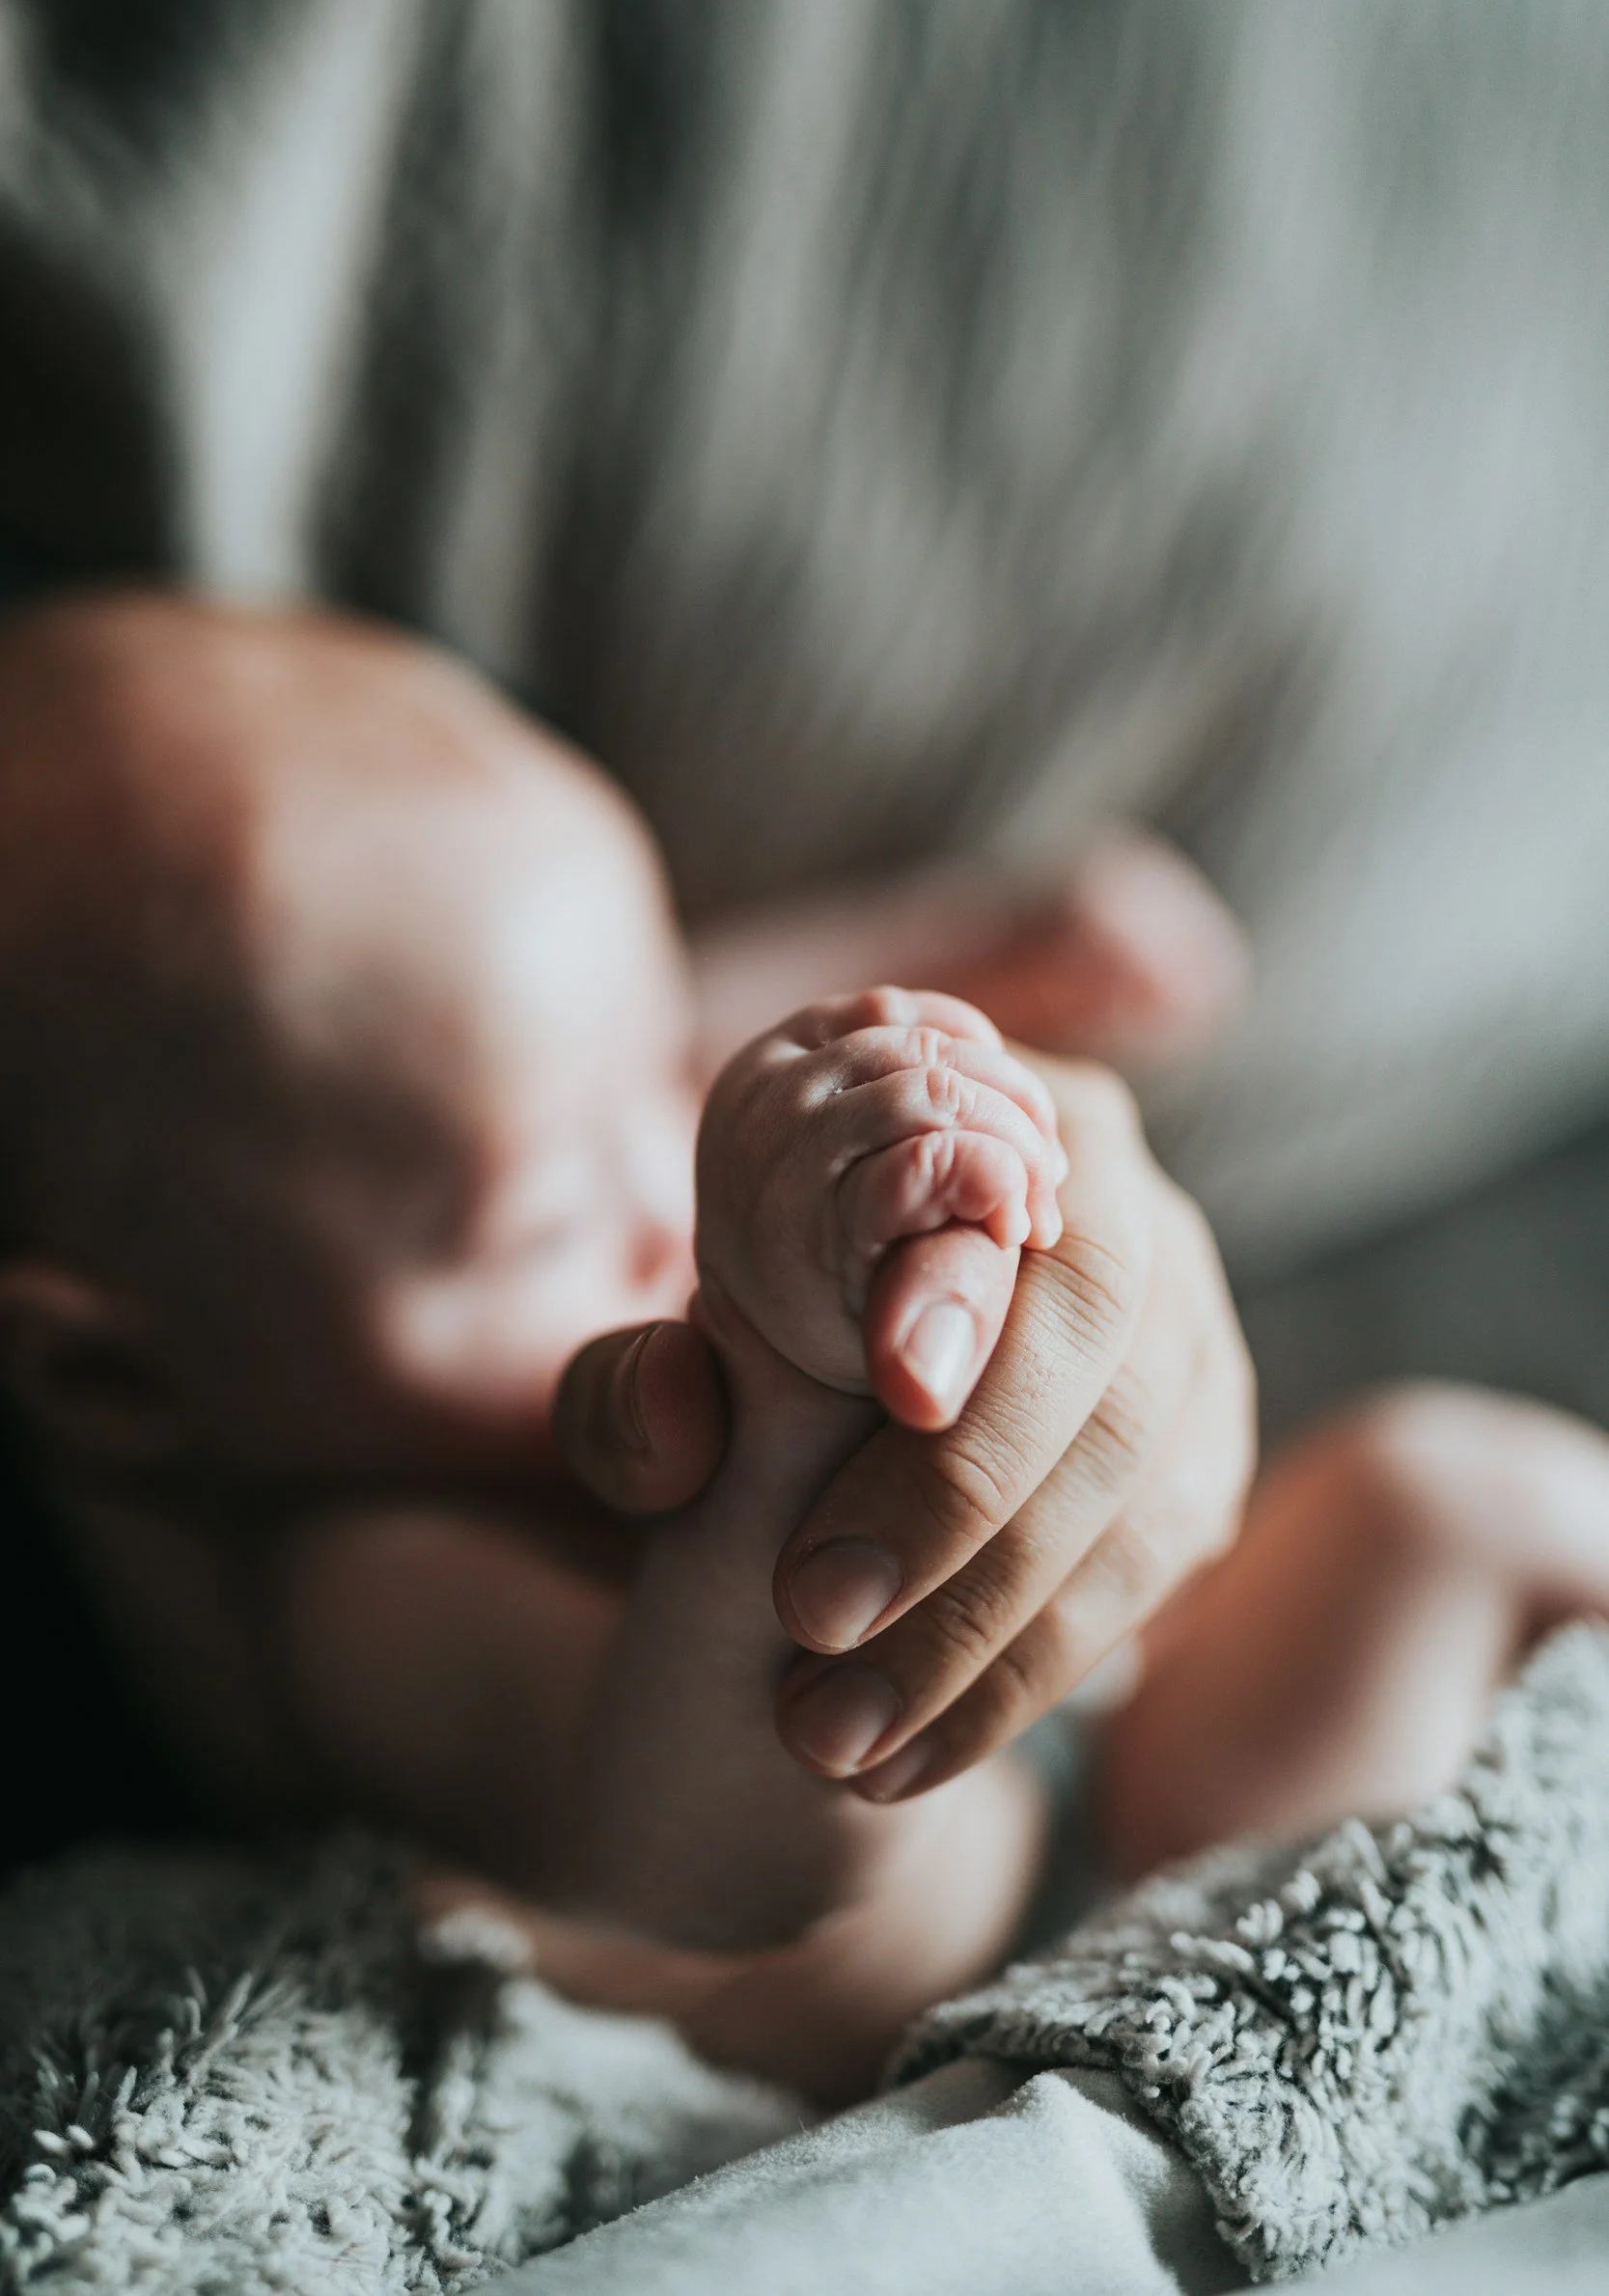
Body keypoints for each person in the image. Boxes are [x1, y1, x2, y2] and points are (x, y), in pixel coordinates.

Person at [7, 586, 1609, 2116]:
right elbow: (735, 1870)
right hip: (1089, 1953)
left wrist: (979, 953)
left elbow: (660, 1051)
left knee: (1438, 1485)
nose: (669, 1195)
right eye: (554, 1215)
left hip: (1144, 1742)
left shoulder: (487, 1105)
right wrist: (783, 1405)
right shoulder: (372, 1588)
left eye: (660, 1072)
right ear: (114, 1384)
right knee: (1443, 1497)